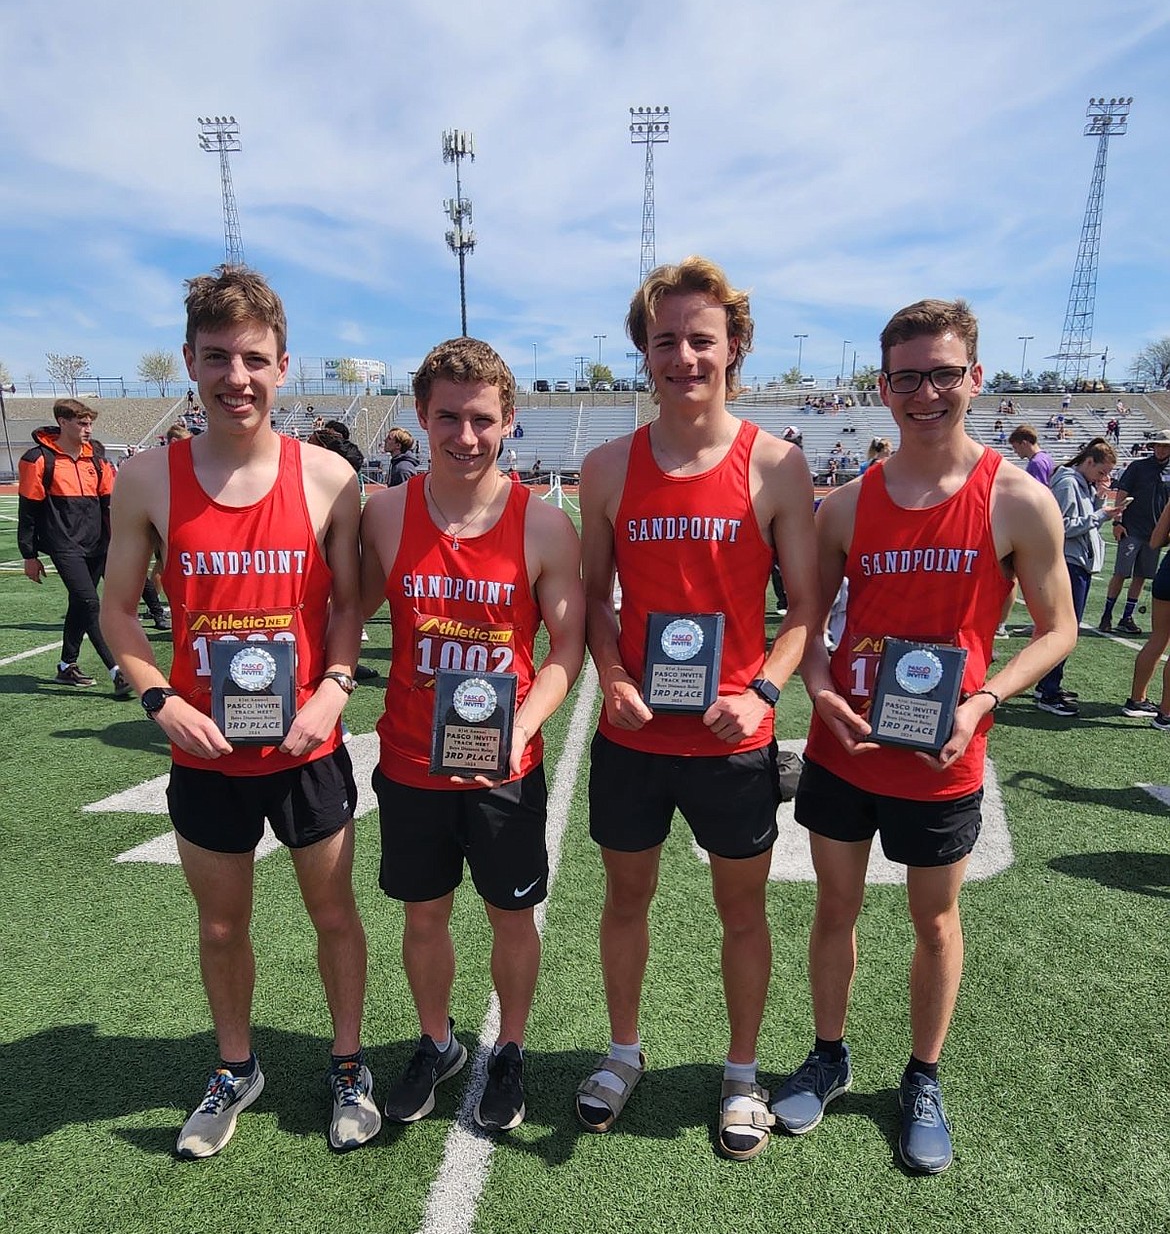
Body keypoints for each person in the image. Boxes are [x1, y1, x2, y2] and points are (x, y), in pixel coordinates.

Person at [772, 297, 1076, 1174]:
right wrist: (822, 691)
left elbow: (1059, 629)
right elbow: (811, 621)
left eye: (945, 373)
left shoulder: (1018, 499)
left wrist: (981, 702)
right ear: (884, 387)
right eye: (908, 376)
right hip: (848, 748)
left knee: (934, 919)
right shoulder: (846, 505)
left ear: (975, 378)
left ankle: (922, 1075)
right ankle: (829, 1055)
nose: (927, 392)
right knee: (834, 907)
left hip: (945, 756)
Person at [100, 264, 379, 1160]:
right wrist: (158, 696)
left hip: (306, 745)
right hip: (206, 750)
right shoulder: (145, 479)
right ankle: (235, 1067)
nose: (237, 377)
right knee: (221, 923)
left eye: (254, 358)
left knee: (334, 915)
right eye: (217, 357)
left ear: (283, 365)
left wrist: (335, 686)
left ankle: (347, 1065)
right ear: (188, 360)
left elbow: (348, 604)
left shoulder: (332, 477)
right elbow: (116, 610)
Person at [575, 256, 819, 1161]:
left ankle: (743, 1073)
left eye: (701, 339)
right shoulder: (606, 468)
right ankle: (624, 1053)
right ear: (644, 351)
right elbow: (594, 603)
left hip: (733, 739)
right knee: (625, 899)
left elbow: (805, 612)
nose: (684, 356)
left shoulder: (779, 466)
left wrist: (759, 689)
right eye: (666, 340)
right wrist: (613, 673)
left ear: (735, 348)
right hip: (635, 733)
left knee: (742, 911)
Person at [361, 337, 584, 1132]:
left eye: (482, 419)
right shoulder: (384, 514)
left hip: (505, 770)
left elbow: (566, 651)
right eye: (448, 417)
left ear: (510, 422)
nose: (465, 435)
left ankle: (511, 1049)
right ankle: (436, 1039)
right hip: (410, 761)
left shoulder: (545, 526)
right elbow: (340, 617)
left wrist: (519, 726)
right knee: (422, 917)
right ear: (422, 416)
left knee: (510, 916)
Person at [18, 398, 131, 696]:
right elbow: (28, 510)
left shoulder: (98, 457)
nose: (87, 429)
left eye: (89, 423)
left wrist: (117, 543)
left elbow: (109, 505)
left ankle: (66, 665)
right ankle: (117, 671)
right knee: (91, 603)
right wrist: (28, 554)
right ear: (62, 422)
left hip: (97, 543)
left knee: (80, 605)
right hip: (62, 544)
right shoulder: (38, 459)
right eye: (81, 423)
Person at [1035, 439, 1129, 716]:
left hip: (1076, 561)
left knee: (1063, 629)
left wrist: (1099, 498)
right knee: (1064, 630)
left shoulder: (1080, 483)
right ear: (1088, 462)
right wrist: (1100, 514)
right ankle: (1048, 692)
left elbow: (1080, 517)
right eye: (1102, 472)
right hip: (1069, 562)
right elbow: (1060, 526)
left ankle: (1047, 684)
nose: (1105, 478)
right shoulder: (1067, 483)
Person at [1097, 431, 1170, 634]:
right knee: (1121, 573)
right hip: (1132, 528)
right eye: (1159, 445)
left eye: (1165, 446)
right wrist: (1117, 522)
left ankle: (1126, 617)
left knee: (1141, 576)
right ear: (1153, 446)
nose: (1161, 449)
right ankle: (1106, 615)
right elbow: (1122, 493)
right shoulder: (1138, 467)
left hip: (1155, 533)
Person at [1122, 495, 1170, 724]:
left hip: (1167, 573)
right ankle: (1166, 714)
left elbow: (1155, 541)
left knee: (1157, 639)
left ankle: (1136, 700)